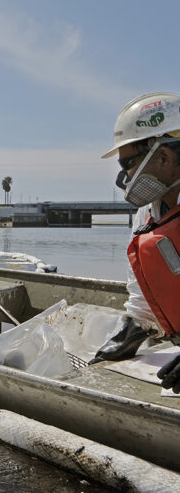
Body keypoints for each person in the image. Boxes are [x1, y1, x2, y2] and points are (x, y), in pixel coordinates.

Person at [91, 92, 180, 393]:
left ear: (165, 157)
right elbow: (144, 295)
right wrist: (129, 334)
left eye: (128, 163)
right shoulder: (147, 215)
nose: (124, 176)